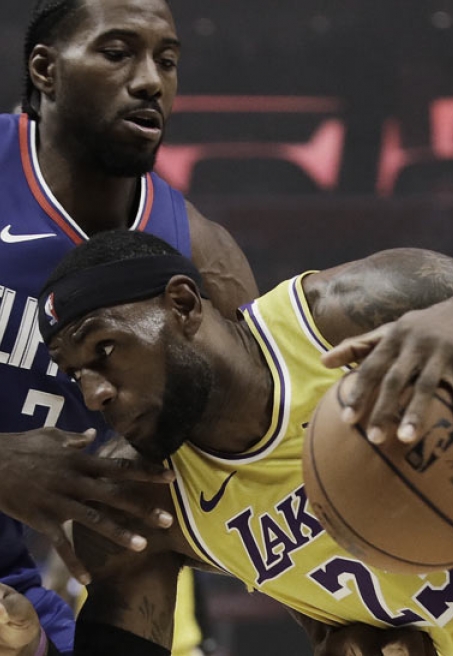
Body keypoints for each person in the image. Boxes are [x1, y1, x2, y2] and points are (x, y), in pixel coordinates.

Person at [31, 229, 453, 656]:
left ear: (182, 304)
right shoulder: (142, 498)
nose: (95, 393)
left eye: (105, 348)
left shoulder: (345, 313)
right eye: (76, 374)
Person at [0, 0, 258, 653]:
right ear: (45, 69)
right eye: (117, 53)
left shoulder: (203, 263)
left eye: (166, 61)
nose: (149, 81)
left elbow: (269, 467)